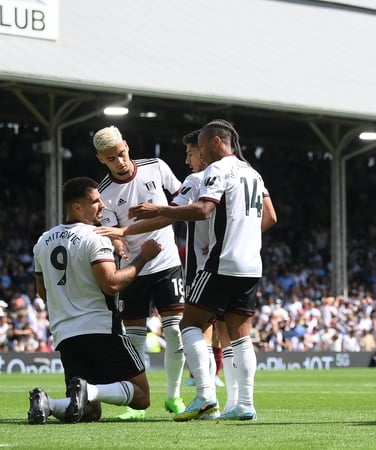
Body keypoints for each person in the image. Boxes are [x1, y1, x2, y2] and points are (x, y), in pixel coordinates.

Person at [128, 119, 277, 421]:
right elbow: (271, 216)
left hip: (222, 262)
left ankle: (205, 396)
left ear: (217, 142)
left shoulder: (217, 170)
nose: (201, 154)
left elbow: (202, 210)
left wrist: (160, 209)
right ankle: (244, 404)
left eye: (204, 145)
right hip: (251, 264)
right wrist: (244, 236)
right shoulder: (253, 173)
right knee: (239, 335)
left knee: (189, 325)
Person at [28, 177, 161, 424]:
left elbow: (43, 292)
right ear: (77, 208)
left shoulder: (42, 241)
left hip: (65, 333)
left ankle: (47, 404)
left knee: (89, 412)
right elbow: (111, 284)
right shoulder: (96, 236)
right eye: (96, 201)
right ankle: (88, 390)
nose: (102, 205)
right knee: (142, 396)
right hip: (101, 327)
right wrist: (143, 257)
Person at [93, 125, 186, 420]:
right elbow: (112, 231)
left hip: (168, 262)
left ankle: (174, 396)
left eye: (121, 154)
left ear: (127, 146)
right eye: (111, 159)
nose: (119, 162)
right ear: (101, 160)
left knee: (174, 331)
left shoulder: (156, 167)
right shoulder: (104, 193)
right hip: (134, 269)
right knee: (133, 338)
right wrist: (119, 245)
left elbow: (183, 199)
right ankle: (138, 402)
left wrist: (163, 212)